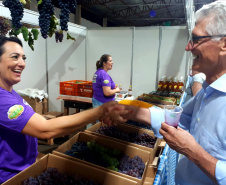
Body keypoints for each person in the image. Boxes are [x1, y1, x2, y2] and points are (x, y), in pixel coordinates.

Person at [107, 1, 226, 184]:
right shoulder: (207, 92)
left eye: (196, 39)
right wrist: (127, 110)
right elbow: (176, 119)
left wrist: (192, 151)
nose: (188, 47)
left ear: (223, 44)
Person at [0, 36, 128, 184]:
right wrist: (101, 111)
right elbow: (45, 129)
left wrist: (39, 159)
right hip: (12, 179)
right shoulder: (2, 99)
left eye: (24, 58)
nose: (22, 63)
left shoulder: (11, 93)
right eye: (15, 57)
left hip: (27, 171)